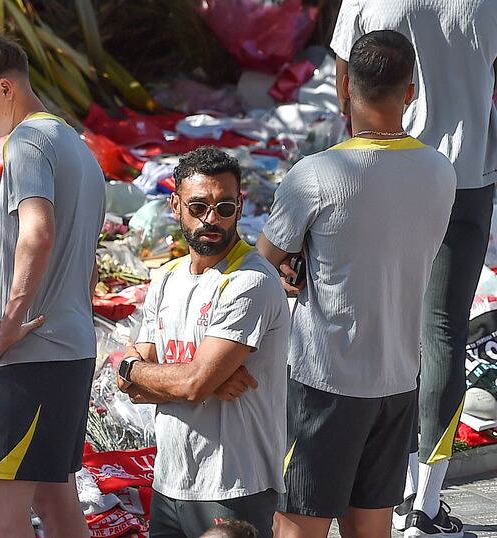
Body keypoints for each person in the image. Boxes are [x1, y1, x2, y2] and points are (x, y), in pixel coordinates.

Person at [257, 31, 456, 538]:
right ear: (411, 91)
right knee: (372, 526)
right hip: (397, 380)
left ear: (343, 86)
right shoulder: (441, 172)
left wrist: (290, 263)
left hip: (325, 382)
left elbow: (263, 263)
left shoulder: (316, 175)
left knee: (298, 525)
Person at [330, 2, 497, 536]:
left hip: (382, 167)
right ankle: (424, 504)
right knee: (443, 331)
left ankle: (392, 489)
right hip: (466, 174)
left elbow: (344, 76)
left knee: (387, 323)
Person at [0, 35, 106, 538]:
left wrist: (9, 325)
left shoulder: (28, 143)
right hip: (73, 346)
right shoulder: (75, 145)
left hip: (38, 351)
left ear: (5, 87)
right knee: (53, 499)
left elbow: (38, 232)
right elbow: (89, 263)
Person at [117, 147, 290, 538]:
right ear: (175, 205)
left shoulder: (250, 282)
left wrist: (163, 377)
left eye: (225, 207)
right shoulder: (166, 277)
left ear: (241, 206)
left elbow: (192, 384)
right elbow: (131, 382)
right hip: (170, 483)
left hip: (233, 486)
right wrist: (135, 371)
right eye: (198, 206)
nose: (212, 219)